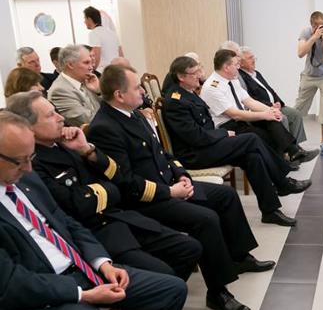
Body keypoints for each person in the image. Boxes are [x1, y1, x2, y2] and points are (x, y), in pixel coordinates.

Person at [0, 110, 187, 310]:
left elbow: (68, 223)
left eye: (30, 157)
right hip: (34, 304)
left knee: (171, 290)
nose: (29, 167)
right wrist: (83, 295)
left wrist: (103, 263)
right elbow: (12, 285)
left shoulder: (25, 179)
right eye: (20, 160)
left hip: (78, 271)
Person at [88, 64, 275, 310]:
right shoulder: (105, 127)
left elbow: (163, 153)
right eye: (137, 87)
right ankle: (218, 292)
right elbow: (126, 182)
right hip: (147, 200)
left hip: (170, 184)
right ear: (119, 95)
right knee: (206, 219)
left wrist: (182, 174)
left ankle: (240, 257)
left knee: (226, 196)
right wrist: (170, 192)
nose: (143, 91)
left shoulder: (133, 114)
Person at [7, 90, 202, 280]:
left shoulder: (69, 144)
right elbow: (75, 205)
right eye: (51, 115)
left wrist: (86, 149)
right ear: (28, 127)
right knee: (165, 275)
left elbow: (117, 177)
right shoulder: (31, 164)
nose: (60, 118)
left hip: (120, 218)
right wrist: (109, 189)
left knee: (190, 248)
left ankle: (159, 294)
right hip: (97, 234)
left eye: (56, 111)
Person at [164, 56, 310, 226]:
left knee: (253, 157)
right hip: (194, 155)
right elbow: (195, 137)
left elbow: (204, 129)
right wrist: (223, 134)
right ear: (181, 77)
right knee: (251, 139)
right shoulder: (175, 101)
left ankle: (270, 211)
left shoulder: (188, 93)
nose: (199, 75)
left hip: (206, 146)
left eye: (199, 70)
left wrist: (220, 135)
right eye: (194, 72)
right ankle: (283, 182)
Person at [201, 49, 318, 163]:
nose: (238, 67)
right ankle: (285, 162)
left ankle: (293, 152)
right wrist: (265, 114)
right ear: (226, 67)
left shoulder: (231, 79)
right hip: (227, 126)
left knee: (271, 120)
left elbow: (249, 101)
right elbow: (235, 114)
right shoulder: (212, 87)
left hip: (241, 120)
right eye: (236, 64)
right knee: (267, 135)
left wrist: (271, 110)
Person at [239, 46, 311, 145]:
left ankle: (296, 146)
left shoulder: (256, 73)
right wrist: (270, 105)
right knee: (282, 118)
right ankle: (287, 148)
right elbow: (251, 99)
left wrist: (278, 102)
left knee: (295, 114)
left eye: (254, 57)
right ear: (241, 63)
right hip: (263, 108)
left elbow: (270, 90)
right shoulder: (241, 78)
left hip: (275, 105)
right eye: (250, 58)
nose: (254, 60)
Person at [294, 11, 323, 156]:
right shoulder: (306, 33)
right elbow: (300, 53)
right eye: (320, 26)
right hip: (309, 75)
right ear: (313, 26)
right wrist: (314, 37)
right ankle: (292, 141)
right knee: (298, 109)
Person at [48, 44, 101, 127]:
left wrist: (98, 91)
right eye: (86, 63)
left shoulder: (85, 81)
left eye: (91, 62)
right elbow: (89, 121)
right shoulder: (59, 91)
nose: (91, 67)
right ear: (70, 65)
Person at [84, 6, 123, 72]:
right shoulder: (112, 33)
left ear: (89, 19)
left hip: (104, 71)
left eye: (85, 19)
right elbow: (121, 54)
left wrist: (92, 71)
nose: (84, 22)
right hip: (117, 70)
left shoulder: (94, 33)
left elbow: (96, 55)